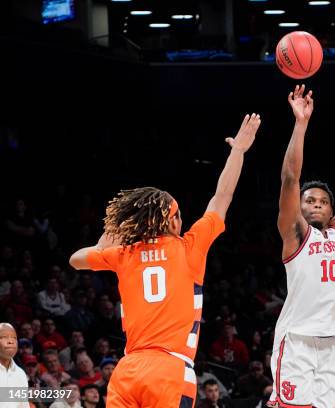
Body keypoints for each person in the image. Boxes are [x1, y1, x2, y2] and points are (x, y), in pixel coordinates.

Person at [69, 113, 262, 408]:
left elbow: (75, 260)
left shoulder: (124, 254)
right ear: (172, 222)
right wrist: (237, 151)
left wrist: (102, 241)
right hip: (169, 370)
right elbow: (222, 196)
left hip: (128, 370)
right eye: (180, 215)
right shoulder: (189, 247)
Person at [269, 85, 335, 408]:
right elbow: (290, 178)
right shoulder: (295, 233)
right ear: (301, 207)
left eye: (324, 201)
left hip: (329, 341)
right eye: (311, 200)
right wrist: (300, 124)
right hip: (295, 339)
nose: (318, 204)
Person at [0, 322, 29, 408]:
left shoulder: (20, 374)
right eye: (4, 337)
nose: (10, 341)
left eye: (14, 338)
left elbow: (24, 405)